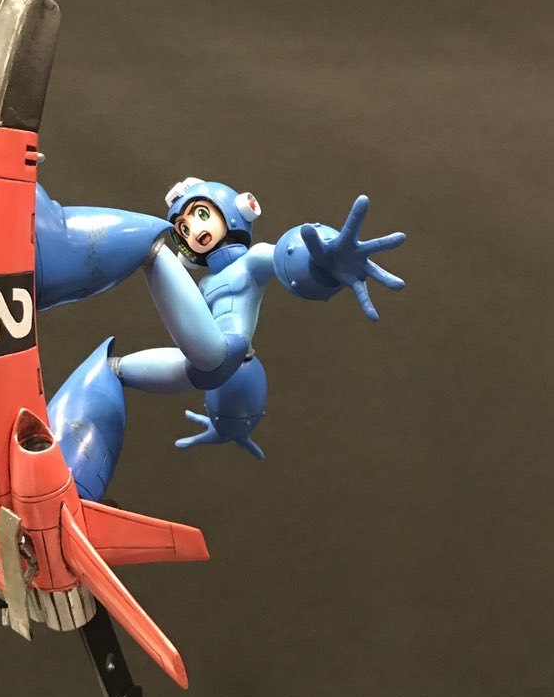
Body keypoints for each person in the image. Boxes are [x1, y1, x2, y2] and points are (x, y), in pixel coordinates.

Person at [43, 177, 406, 500]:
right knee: (113, 369)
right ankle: (71, 480)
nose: (192, 230)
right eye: (183, 228)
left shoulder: (250, 262)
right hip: (200, 366)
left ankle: (53, 243)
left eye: (200, 214)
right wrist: (226, 424)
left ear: (232, 213)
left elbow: (284, 256)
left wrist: (323, 263)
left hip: (222, 352)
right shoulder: (206, 282)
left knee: (148, 249)